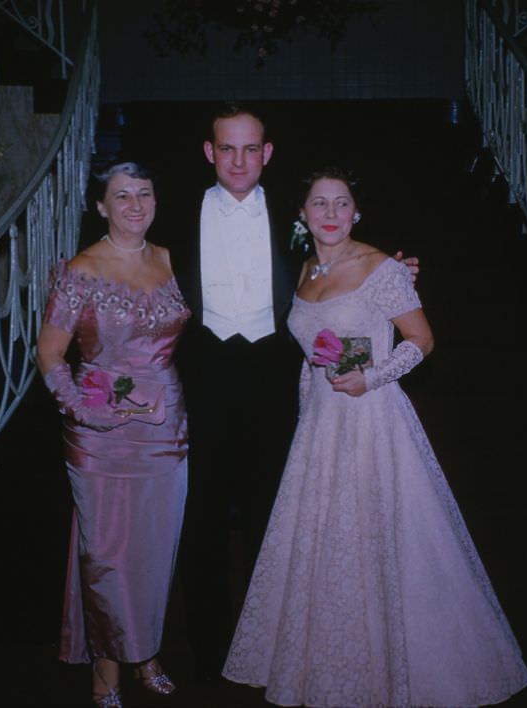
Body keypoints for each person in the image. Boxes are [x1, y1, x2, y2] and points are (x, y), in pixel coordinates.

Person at [222, 168, 527, 707]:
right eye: (320, 203)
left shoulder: (382, 267)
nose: (332, 213)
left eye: (342, 203)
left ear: (356, 212)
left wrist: (372, 377)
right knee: (325, 549)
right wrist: (308, 411)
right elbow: (307, 358)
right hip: (321, 426)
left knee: (382, 541)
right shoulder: (304, 271)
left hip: (372, 421)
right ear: (302, 214)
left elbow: (422, 340)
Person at [171, 103, 421, 681]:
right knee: (203, 517)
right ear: (210, 152)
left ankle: (272, 647)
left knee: (277, 514)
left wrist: (395, 271)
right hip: (204, 378)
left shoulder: (297, 208)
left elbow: (342, 260)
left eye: (250, 149)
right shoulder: (174, 212)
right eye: (227, 149)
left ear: (267, 153)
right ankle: (209, 651)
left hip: (277, 381)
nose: (239, 160)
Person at [36, 161, 191, 707]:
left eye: (144, 194)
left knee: (154, 549)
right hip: (99, 433)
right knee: (105, 552)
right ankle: (106, 669)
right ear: (100, 207)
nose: (134, 205)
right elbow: (50, 354)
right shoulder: (80, 269)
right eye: (121, 196)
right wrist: (81, 410)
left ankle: (146, 650)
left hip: (165, 429)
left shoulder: (173, 260)